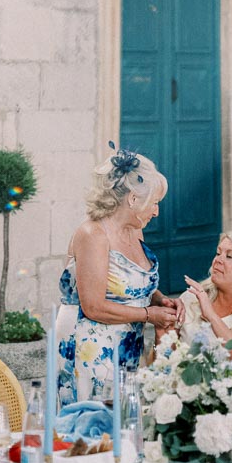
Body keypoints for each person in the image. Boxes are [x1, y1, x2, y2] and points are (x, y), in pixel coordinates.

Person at [57, 149, 182, 404]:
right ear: (133, 200)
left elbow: (131, 284)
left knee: (123, 419)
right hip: (91, 345)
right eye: (154, 203)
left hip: (126, 342)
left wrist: (159, 299)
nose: (157, 211)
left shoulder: (135, 231)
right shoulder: (93, 235)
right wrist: (149, 316)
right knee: (95, 427)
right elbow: (93, 306)